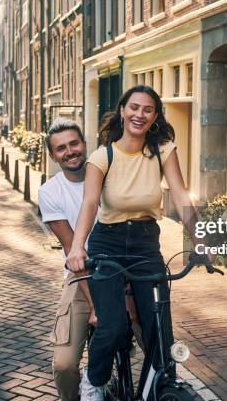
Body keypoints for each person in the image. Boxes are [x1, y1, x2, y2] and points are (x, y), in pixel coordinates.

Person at [66, 85, 200, 401]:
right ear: (123, 110)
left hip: (144, 244)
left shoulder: (163, 150)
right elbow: (89, 204)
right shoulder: (102, 156)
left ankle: (161, 386)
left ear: (155, 117)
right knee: (111, 326)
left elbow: (180, 194)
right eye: (134, 107)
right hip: (107, 243)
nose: (140, 114)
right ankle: (93, 381)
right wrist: (77, 247)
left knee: (158, 327)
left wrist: (199, 238)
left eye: (148, 109)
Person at [39, 119, 140, 401]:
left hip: (124, 272)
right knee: (64, 364)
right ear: (53, 155)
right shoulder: (50, 192)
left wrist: (129, 295)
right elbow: (74, 250)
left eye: (74, 143)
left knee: (158, 346)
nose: (70, 151)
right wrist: (97, 307)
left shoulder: (113, 180)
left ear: (85, 144)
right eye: (61, 148)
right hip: (82, 278)